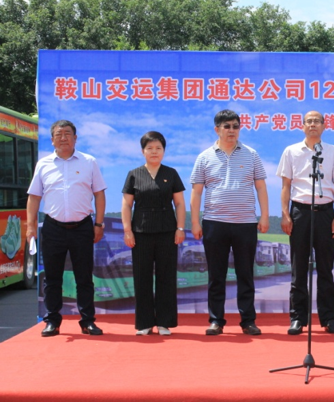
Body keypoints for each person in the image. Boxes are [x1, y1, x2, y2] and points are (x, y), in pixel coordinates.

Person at [190, 109, 269, 336]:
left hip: (245, 222)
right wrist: (195, 222)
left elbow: (261, 187)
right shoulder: (204, 157)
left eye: (235, 126)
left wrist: (264, 216)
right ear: (217, 129)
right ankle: (216, 320)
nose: (232, 130)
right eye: (227, 126)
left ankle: (248, 321)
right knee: (216, 275)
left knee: (245, 274)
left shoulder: (251, 154)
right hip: (214, 222)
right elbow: (197, 192)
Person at [26, 120, 107, 337]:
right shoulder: (43, 164)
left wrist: (99, 224)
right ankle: (52, 321)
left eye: (68, 134)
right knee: (52, 278)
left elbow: (99, 194)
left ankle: (88, 321)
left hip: (82, 227)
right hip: (53, 228)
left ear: (75, 138)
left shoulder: (89, 162)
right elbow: (34, 197)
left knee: (84, 278)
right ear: (52, 140)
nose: (63, 138)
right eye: (59, 134)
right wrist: (30, 226)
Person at [277, 110, 334, 335]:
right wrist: (285, 214)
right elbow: (286, 186)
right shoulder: (291, 151)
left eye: (317, 121)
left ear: (324, 126)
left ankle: (329, 318)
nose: (313, 125)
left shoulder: (333, 151)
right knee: (298, 268)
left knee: (326, 268)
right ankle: (298, 318)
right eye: (309, 121)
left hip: (326, 212)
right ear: (302, 126)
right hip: (300, 212)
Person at [121, 131, 186, 336]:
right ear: (143, 151)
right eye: (150, 148)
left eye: (158, 148)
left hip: (167, 232)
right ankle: (145, 323)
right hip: (141, 232)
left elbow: (179, 203)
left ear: (164, 151)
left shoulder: (171, 173)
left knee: (167, 277)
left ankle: (165, 322)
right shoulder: (134, 174)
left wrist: (180, 228)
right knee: (142, 277)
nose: (154, 152)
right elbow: (126, 205)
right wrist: (128, 231)